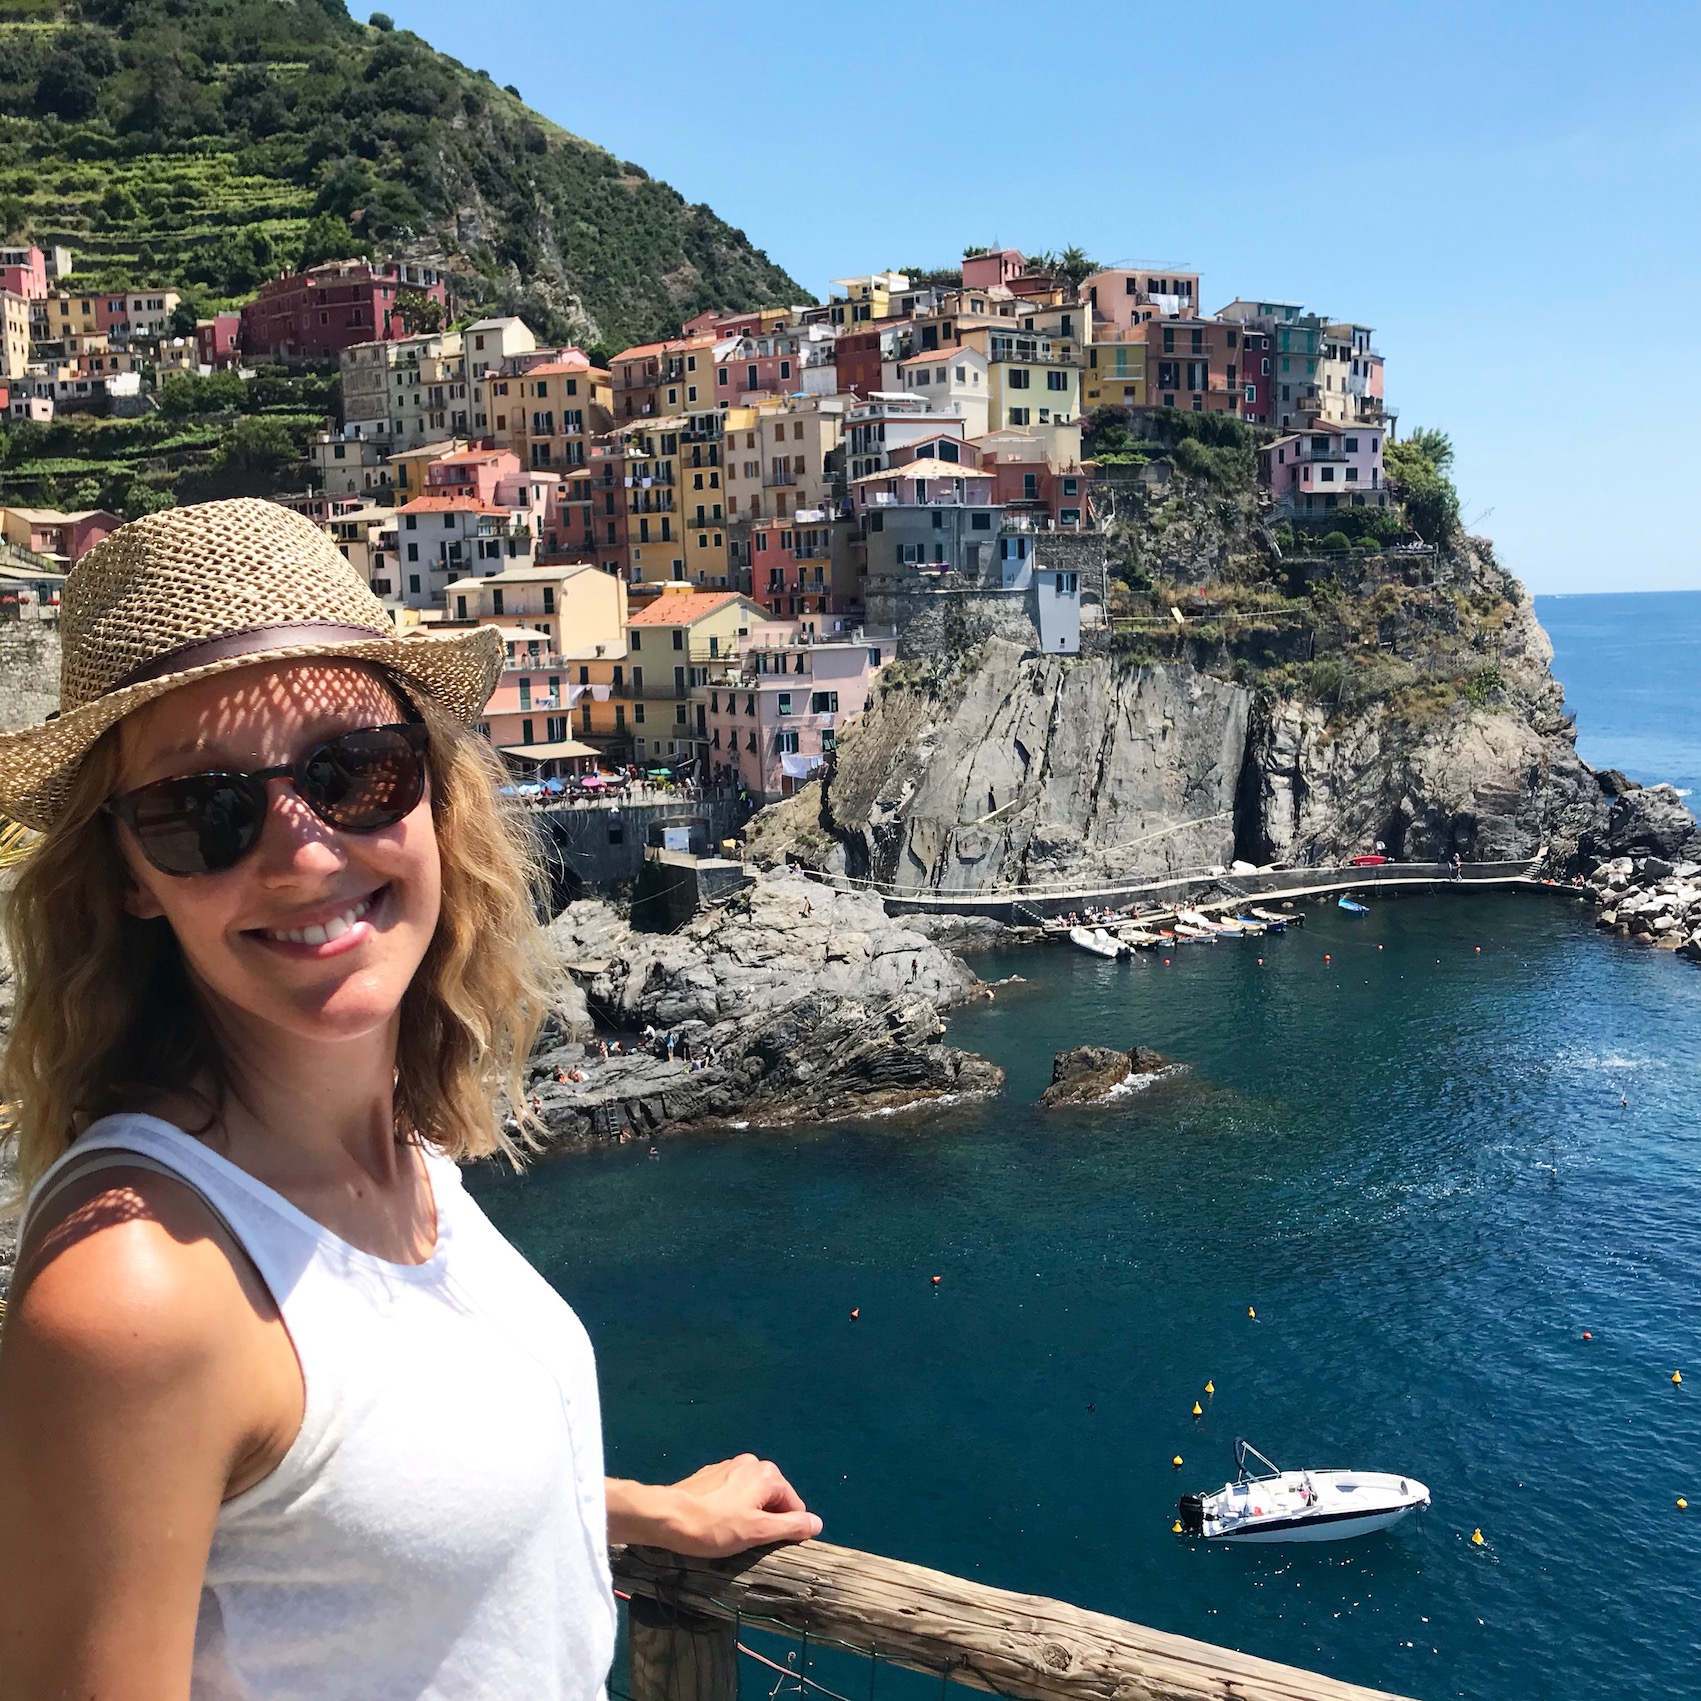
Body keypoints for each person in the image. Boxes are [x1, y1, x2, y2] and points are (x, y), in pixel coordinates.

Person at [0, 501, 820, 1699]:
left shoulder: (404, 1153)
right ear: (129, 875)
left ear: (431, 792)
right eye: (203, 812)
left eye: (353, 773)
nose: (304, 854)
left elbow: (349, 1501)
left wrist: (622, 1509)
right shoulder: (139, 1293)